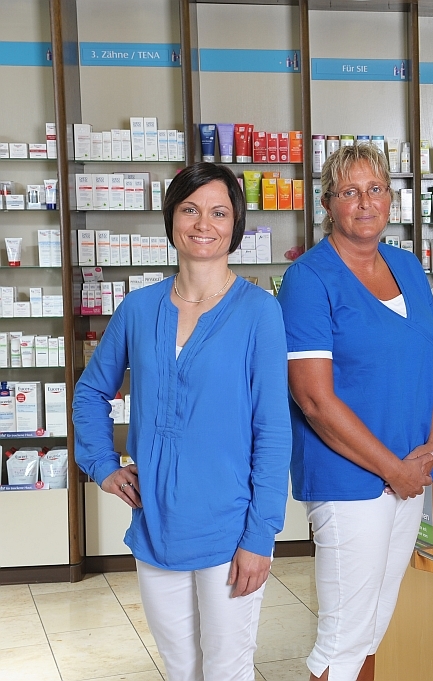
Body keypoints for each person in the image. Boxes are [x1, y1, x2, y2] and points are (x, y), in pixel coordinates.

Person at [73, 162, 292, 681]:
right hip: (157, 524)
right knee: (180, 668)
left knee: (226, 669)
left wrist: (261, 535)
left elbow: (273, 429)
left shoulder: (259, 311)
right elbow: (90, 392)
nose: (203, 224)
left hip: (230, 526)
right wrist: (102, 464)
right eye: (190, 209)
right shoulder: (138, 308)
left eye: (219, 212)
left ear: (235, 224)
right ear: (171, 217)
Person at [277, 143, 433, 681]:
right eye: (349, 191)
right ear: (328, 203)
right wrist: (394, 469)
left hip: (409, 474)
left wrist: (431, 450)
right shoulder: (310, 279)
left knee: (372, 627)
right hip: (350, 481)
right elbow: (314, 400)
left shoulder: (408, 266)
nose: (365, 202)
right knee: (342, 640)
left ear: (391, 199)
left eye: (375, 189)